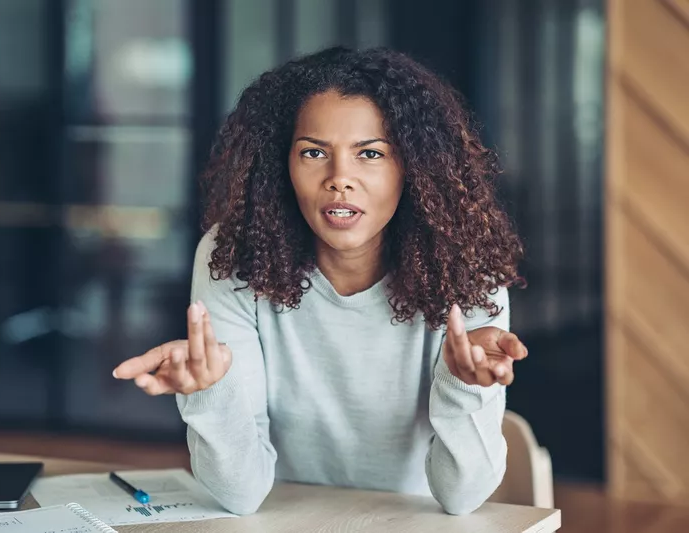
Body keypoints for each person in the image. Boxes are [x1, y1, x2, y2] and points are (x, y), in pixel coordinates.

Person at [113, 46, 528, 516]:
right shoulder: (234, 256)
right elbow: (240, 494)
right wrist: (211, 392)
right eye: (314, 152)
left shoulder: (465, 264)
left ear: (412, 166)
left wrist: (464, 385)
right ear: (280, 164)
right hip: (282, 518)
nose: (339, 179)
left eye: (369, 154)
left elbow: (461, 497)